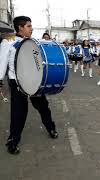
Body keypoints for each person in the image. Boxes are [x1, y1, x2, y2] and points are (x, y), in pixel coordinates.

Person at [0, 16, 58, 155]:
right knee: (19, 113)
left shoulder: (32, 42)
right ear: (20, 27)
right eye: (29, 26)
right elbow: (2, 63)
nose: (32, 29)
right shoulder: (9, 41)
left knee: (43, 107)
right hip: (17, 83)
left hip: (33, 81)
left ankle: (51, 127)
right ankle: (12, 141)